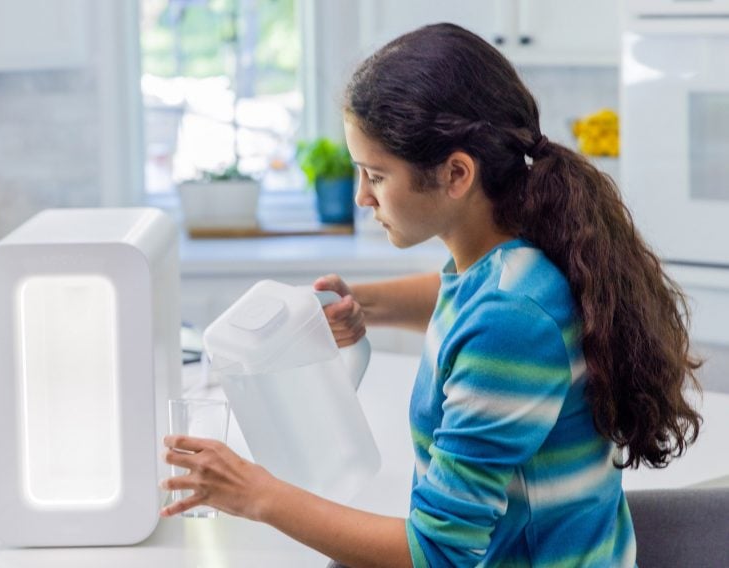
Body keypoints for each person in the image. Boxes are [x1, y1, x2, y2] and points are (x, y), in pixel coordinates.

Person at [161, 23, 702, 567]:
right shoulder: (520, 254)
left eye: (376, 174)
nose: (361, 196)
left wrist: (256, 494)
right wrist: (365, 305)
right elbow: (466, 300)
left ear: (456, 174)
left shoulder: (512, 318)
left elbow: (439, 555)